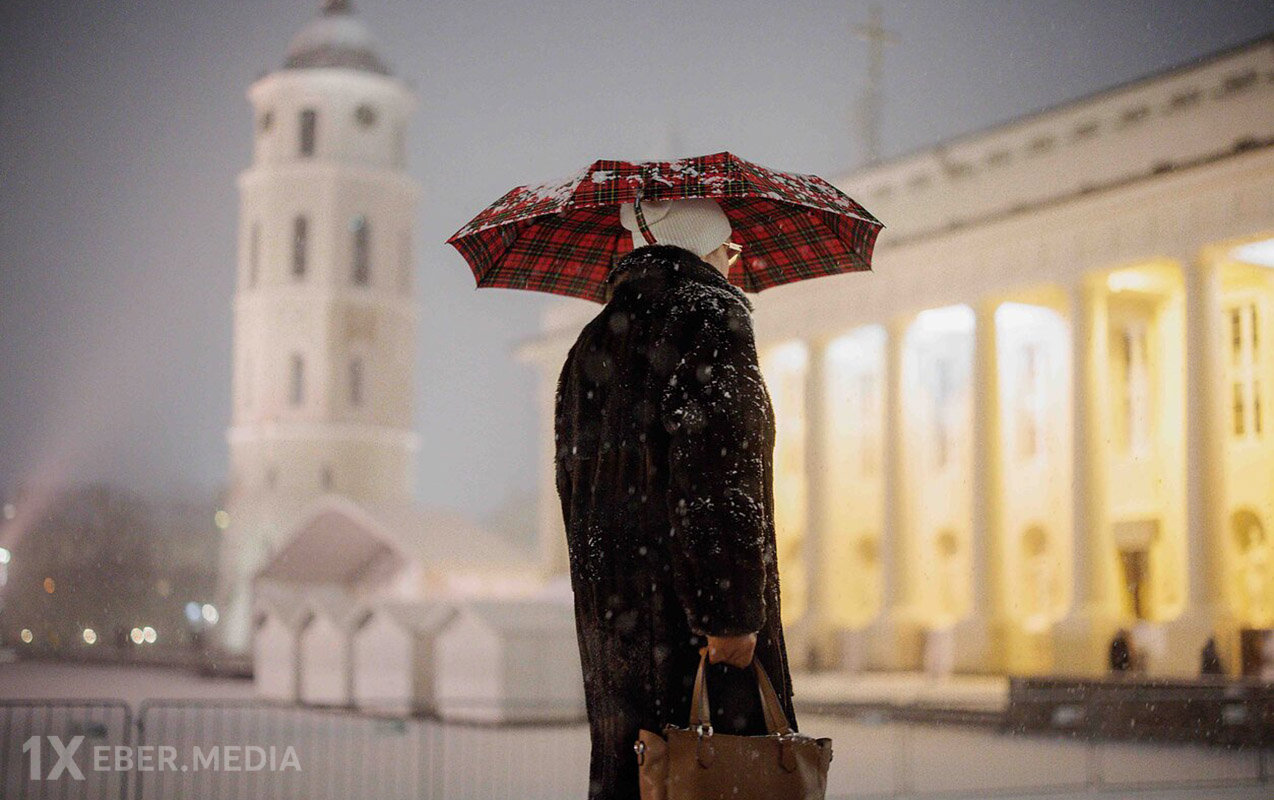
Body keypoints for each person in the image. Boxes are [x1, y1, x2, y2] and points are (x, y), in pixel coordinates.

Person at [554, 197, 796, 800]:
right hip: (700, 632)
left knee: (639, 776)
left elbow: (575, 491)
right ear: (703, 247)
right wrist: (731, 614)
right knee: (724, 774)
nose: (734, 262)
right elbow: (720, 479)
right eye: (729, 248)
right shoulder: (709, 316)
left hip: (619, 633)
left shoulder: (590, 342)